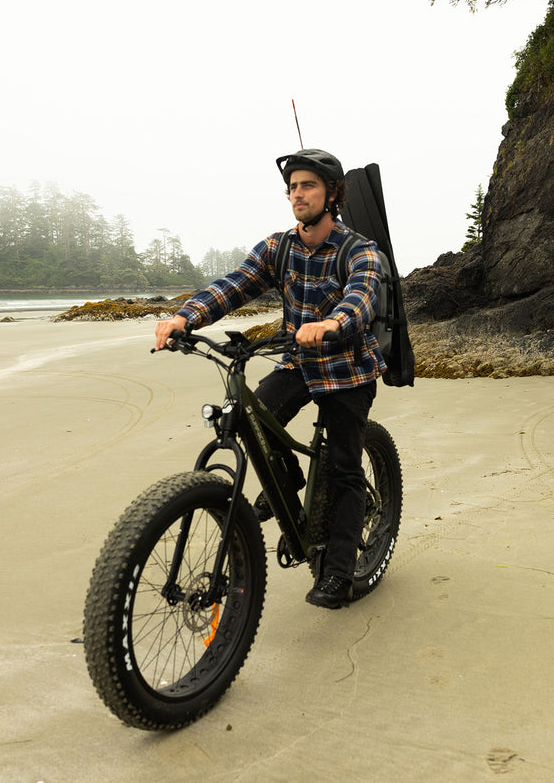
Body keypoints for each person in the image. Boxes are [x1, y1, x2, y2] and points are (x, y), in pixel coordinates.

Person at [153, 148, 386, 609]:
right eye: (293, 187)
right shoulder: (279, 247)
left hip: (347, 370)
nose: (298, 194)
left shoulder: (357, 249)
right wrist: (186, 317)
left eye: (309, 186)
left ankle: (339, 572)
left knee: (343, 469)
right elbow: (234, 283)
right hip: (298, 362)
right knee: (254, 412)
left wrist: (333, 323)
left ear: (332, 194)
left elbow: (362, 295)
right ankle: (288, 478)